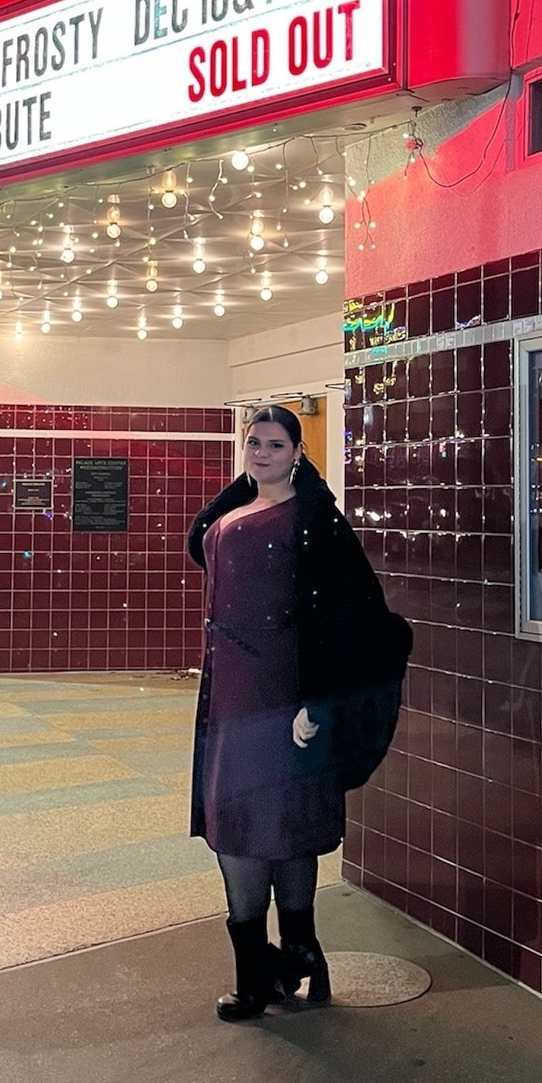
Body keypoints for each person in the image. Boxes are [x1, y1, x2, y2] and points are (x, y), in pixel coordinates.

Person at [187, 404, 409, 1022]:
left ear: (299, 451)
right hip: (232, 686)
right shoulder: (242, 508)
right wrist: (255, 483)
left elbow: (354, 615)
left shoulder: (314, 518)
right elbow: (202, 537)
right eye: (253, 443)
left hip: (281, 688)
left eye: (276, 445)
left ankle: (278, 962)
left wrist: (316, 698)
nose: (261, 453)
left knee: (276, 820)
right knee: (244, 816)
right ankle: (287, 958)